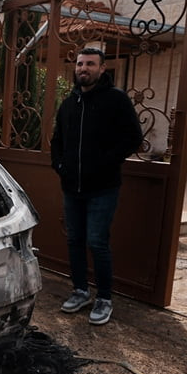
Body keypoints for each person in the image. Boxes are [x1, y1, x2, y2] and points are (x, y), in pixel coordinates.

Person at [50, 46, 144, 326]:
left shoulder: (116, 100)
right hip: (72, 187)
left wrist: (105, 163)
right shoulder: (69, 104)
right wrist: (60, 166)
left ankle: (104, 298)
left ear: (102, 68)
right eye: (80, 64)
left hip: (103, 187)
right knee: (74, 240)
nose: (83, 68)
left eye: (90, 64)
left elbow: (132, 137)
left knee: (97, 242)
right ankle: (80, 290)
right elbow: (57, 141)